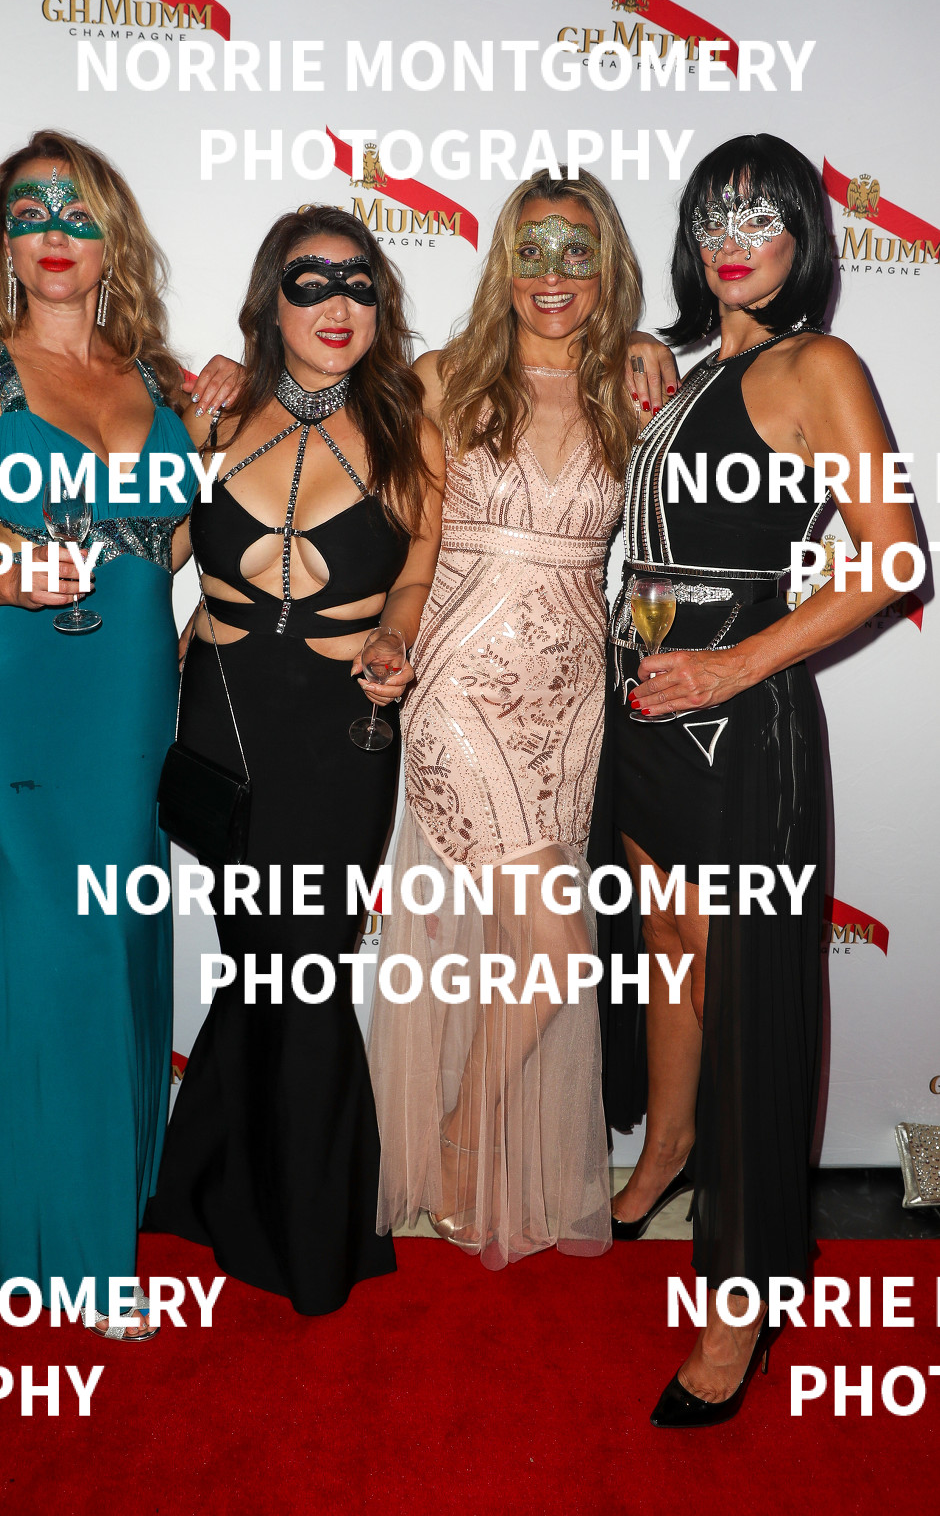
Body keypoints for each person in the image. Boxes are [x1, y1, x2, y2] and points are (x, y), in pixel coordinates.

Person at [601, 132, 917, 1424]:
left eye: (762, 219)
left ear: (805, 241)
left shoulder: (817, 366)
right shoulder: (688, 372)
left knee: (748, 998)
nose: (733, 242)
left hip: (739, 724)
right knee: (668, 946)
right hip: (645, 707)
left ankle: (745, 1290)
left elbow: (894, 557)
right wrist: (647, 364)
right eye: (713, 219)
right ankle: (667, 1148)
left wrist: (732, 669)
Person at [0, 129, 199, 1338]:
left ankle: (38, 1193)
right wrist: (4, 578)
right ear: (0, 241)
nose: (54, 232)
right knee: (67, 948)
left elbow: (169, 545)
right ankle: (79, 1264)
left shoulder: (157, 378)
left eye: (76, 213)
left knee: (109, 948)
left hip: (134, 695)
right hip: (27, 690)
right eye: (29, 213)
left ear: (112, 237)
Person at [362, 170, 677, 1268]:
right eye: (531, 250)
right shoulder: (443, 380)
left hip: (573, 701)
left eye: (575, 251)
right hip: (460, 686)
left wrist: (652, 352)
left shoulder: (634, 386)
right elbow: (413, 553)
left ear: (607, 266)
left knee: (529, 946)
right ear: (503, 264)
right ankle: (459, 1143)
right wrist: (394, 635)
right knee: (556, 949)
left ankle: (480, 1145)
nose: (553, 274)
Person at [144, 207, 445, 1316]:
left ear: (380, 303)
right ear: (270, 300)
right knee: (252, 958)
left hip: (339, 736)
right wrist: (185, 435)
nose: (335, 304)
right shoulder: (218, 416)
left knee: (303, 967)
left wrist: (395, 637)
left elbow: (417, 564)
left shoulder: (409, 422)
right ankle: (211, 1183)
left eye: (357, 283)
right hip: (221, 723)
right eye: (309, 282)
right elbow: (153, 548)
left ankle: (311, 1232)